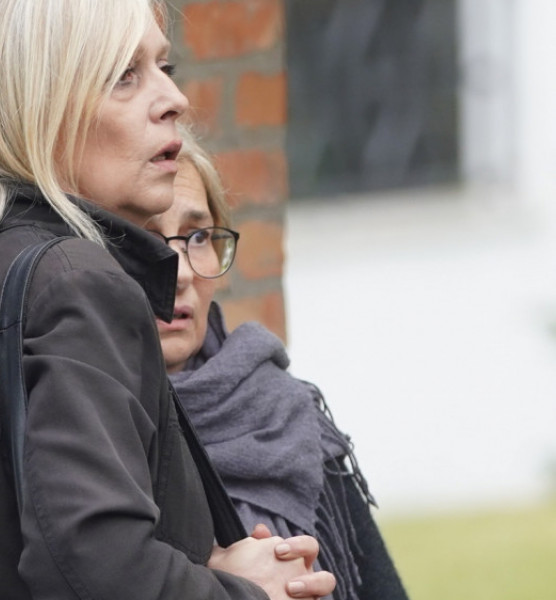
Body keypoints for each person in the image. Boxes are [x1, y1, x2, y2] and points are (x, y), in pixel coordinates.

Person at [0, 1, 337, 599]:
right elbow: (98, 567)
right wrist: (250, 594)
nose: (174, 99)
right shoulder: (75, 281)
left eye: (164, 67)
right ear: (38, 109)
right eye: (124, 75)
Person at [146, 131, 410, 600]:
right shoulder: (80, 421)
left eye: (199, 236)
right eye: (145, 240)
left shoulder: (279, 411)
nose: (182, 271)